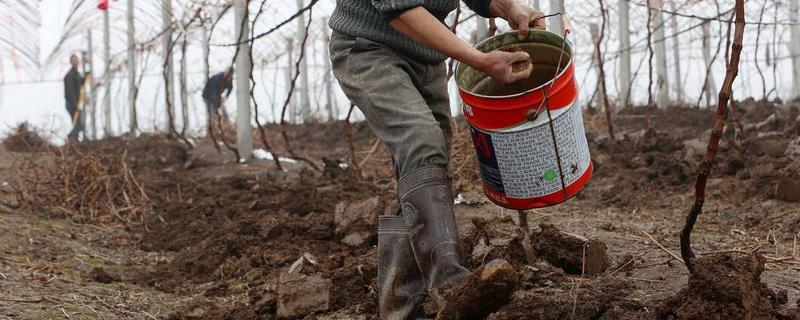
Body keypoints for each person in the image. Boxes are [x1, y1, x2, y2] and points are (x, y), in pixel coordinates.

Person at [328, 0, 544, 318]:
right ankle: (450, 285)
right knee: (421, 141)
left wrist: (509, 7)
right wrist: (480, 61)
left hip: (427, 55)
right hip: (369, 48)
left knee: (428, 165)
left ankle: (400, 309)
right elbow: (401, 10)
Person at [63, 54, 84, 141]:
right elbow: (71, 91)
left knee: (78, 123)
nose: (76, 62)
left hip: (76, 102)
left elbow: (80, 83)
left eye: (77, 60)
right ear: (71, 62)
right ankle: (71, 138)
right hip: (72, 103)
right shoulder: (70, 75)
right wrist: (75, 104)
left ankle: (74, 139)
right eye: (74, 60)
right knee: (77, 123)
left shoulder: (76, 73)